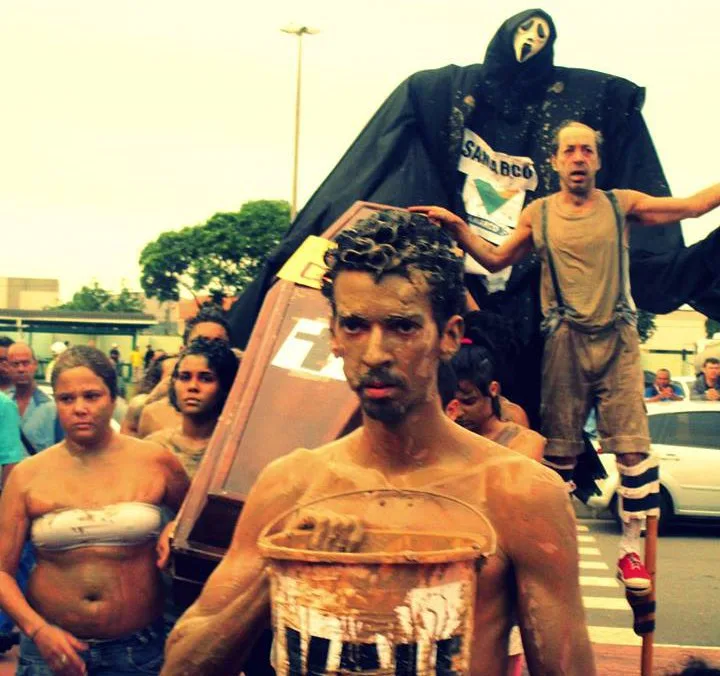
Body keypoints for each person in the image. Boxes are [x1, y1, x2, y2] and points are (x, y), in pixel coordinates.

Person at [227, 9, 720, 431]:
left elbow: (682, 213)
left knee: (536, 432)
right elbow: (359, 185)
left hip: (533, 318)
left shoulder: (590, 143)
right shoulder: (439, 96)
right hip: (465, 304)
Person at [162, 210, 594, 675]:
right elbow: (182, 665)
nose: (374, 353)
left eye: (402, 327)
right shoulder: (290, 486)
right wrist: (281, 571)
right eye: (354, 326)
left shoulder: (517, 494)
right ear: (334, 338)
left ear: (448, 336)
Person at [412, 121, 720, 595]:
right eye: (569, 150)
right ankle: (547, 541)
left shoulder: (622, 204)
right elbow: (495, 260)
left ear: (597, 160)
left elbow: (695, 205)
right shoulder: (539, 214)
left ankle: (632, 550)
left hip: (617, 337)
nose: (578, 157)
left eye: (586, 150)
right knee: (558, 455)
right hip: (564, 340)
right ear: (554, 162)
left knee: (633, 449)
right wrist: (456, 227)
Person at [0, 346, 190, 675]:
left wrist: (178, 527)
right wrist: (39, 631)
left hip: (137, 649)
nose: (80, 409)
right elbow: (2, 572)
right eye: (66, 399)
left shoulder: (155, 462)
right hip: (51, 651)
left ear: (114, 398)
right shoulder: (28, 475)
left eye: (92, 396)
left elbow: (202, 526)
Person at [449, 319, 545, 463]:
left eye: (468, 401)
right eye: (451, 404)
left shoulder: (522, 439)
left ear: (493, 389)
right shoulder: (446, 435)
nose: (459, 412)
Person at [146, 338, 239, 479]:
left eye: (206, 379)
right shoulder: (155, 447)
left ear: (225, 387)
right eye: (185, 377)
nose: (192, 387)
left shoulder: (235, 449)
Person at [137, 308, 232, 439]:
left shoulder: (245, 405)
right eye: (200, 342)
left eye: (218, 343)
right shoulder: (153, 413)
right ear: (183, 350)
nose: (209, 349)